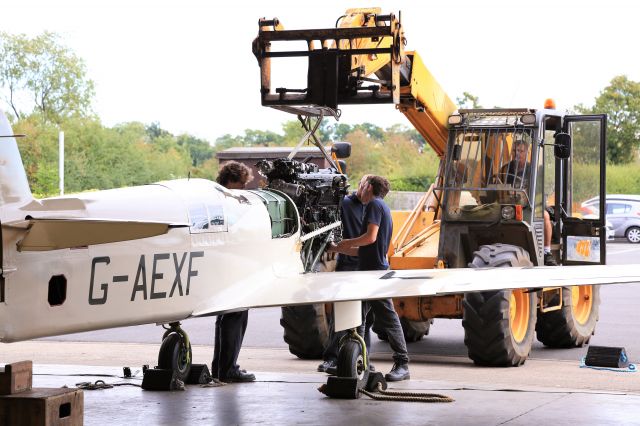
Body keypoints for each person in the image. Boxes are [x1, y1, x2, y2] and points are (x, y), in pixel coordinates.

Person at [329, 175, 411, 382]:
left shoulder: (374, 205)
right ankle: (360, 361)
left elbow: (370, 238)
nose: (360, 188)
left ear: (369, 188)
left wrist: (345, 242)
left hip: (374, 273)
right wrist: (340, 248)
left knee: (388, 318)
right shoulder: (380, 206)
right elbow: (366, 250)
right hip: (369, 270)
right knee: (359, 321)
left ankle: (403, 363)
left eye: (363, 185)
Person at [317, 175, 373, 374]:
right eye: (364, 187)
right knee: (341, 315)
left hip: (367, 266)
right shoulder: (346, 203)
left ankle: (364, 357)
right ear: (361, 186)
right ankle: (332, 358)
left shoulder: (374, 206)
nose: (366, 192)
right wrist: (338, 248)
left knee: (366, 317)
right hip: (349, 265)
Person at [212, 161, 256, 382]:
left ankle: (220, 368)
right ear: (231, 181)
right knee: (236, 316)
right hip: (232, 266)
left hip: (219, 266)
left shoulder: (213, 196)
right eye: (241, 183)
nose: (243, 189)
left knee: (225, 318)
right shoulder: (228, 201)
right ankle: (228, 369)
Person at [499, 140, 556, 266]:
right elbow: (501, 189)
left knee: (545, 216)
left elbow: (540, 191)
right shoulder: (505, 169)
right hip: (509, 205)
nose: (517, 153)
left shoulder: (533, 170)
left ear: (527, 152)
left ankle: (547, 252)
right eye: (514, 151)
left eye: (521, 151)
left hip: (530, 204)